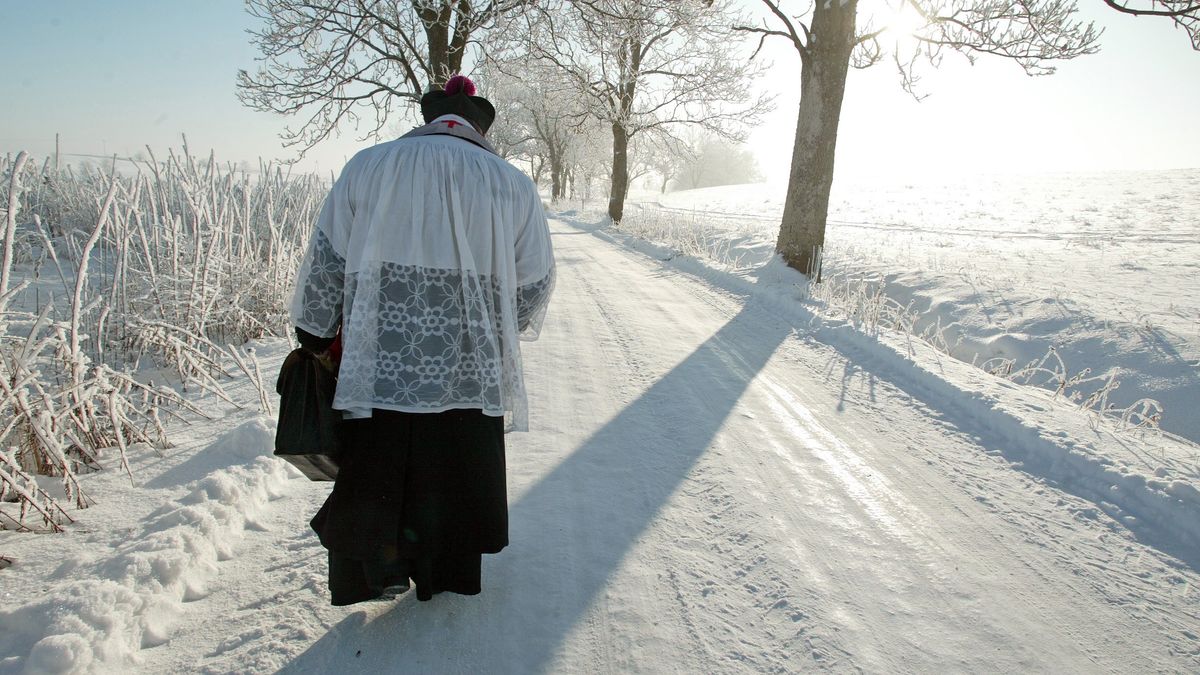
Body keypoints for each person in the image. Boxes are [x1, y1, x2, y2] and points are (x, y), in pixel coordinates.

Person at [289, 75, 555, 605]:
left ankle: (378, 568)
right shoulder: (510, 184)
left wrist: (315, 331)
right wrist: (500, 328)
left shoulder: (370, 165)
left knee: (379, 462)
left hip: (378, 356)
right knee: (454, 469)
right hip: (469, 366)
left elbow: (327, 258)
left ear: (430, 116)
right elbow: (536, 279)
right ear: (479, 124)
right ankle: (443, 571)